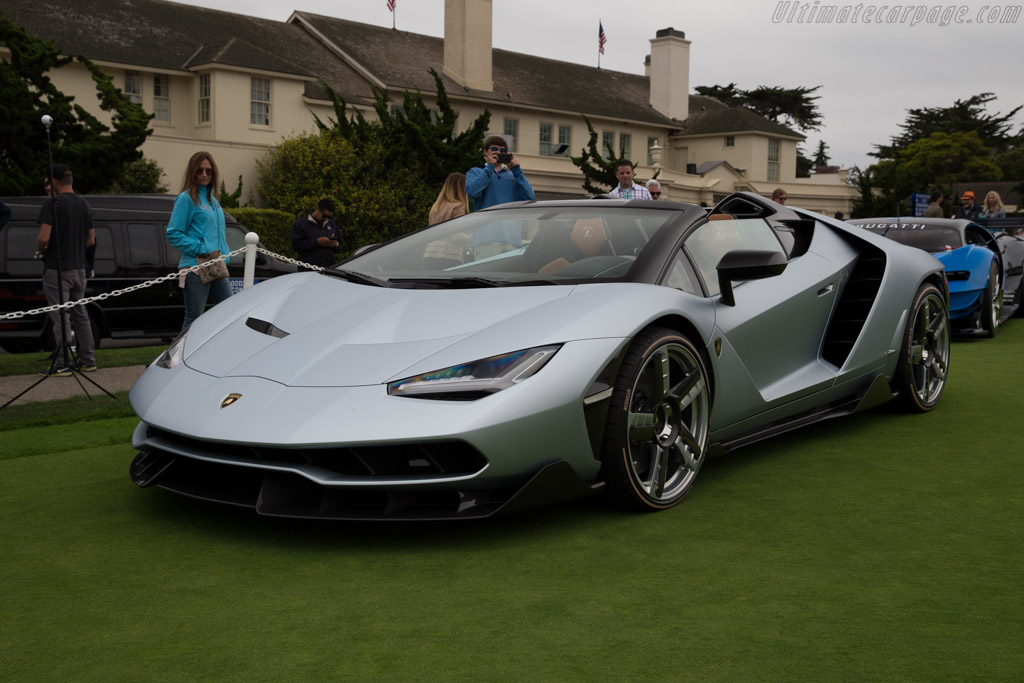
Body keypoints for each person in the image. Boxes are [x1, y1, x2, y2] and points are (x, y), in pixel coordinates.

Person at [36, 164, 96, 375]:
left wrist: (41, 247)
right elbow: (91, 240)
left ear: (54, 182)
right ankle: (88, 360)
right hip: (79, 268)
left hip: (57, 268)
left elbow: (44, 238)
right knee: (81, 315)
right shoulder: (84, 204)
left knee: (60, 316)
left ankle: (63, 362)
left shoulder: (52, 203)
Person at [166, 151, 231, 331]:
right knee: (193, 320)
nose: (204, 175)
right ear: (192, 172)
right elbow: (173, 233)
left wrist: (225, 254)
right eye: (199, 170)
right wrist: (200, 247)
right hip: (195, 266)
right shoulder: (186, 199)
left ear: (213, 173)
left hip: (216, 265)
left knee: (231, 312)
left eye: (208, 171)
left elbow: (217, 233)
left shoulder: (214, 201)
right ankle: (176, 359)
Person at [466, 136, 534, 257]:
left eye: (502, 151)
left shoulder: (513, 175)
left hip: (513, 241)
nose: (498, 152)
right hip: (486, 240)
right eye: (494, 149)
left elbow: (529, 198)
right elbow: (471, 191)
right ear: (485, 152)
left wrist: (517, 171)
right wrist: (489, 169)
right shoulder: (475, 172)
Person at [291, 198, 342, 270]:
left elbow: (340, 246)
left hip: (328, 270)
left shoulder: (331, 224)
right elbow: (296, 246)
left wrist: (335, 244)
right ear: (317, 208)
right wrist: (317, 242)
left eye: (329, 217)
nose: (326, 219)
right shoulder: (301, 224)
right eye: (324, 216)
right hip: (307, 271)